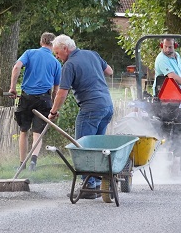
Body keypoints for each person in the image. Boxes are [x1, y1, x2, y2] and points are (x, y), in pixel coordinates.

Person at [48, 34, 113, 199]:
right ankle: (98, 183)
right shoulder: (92, 54)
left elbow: (62, 92)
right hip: (107, 106)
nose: (56, 57)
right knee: (97, 147)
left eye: (57, 53)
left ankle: (89, 187)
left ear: (65, 48)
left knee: (82, 147)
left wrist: (53, 111)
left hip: (90, 108)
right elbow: (110, 71)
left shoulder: (69, 65)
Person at [9, 32, 61, 172]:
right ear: (53, 44)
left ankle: (22, 164)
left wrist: (13, 88)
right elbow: (56, 90)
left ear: (41, 42)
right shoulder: (56, 62)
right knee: (37, 133)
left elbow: (16, 67)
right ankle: (33, 162)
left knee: (24, 131)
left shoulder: (29, 53)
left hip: (26, 98)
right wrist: (53, 107)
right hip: (44, 100)